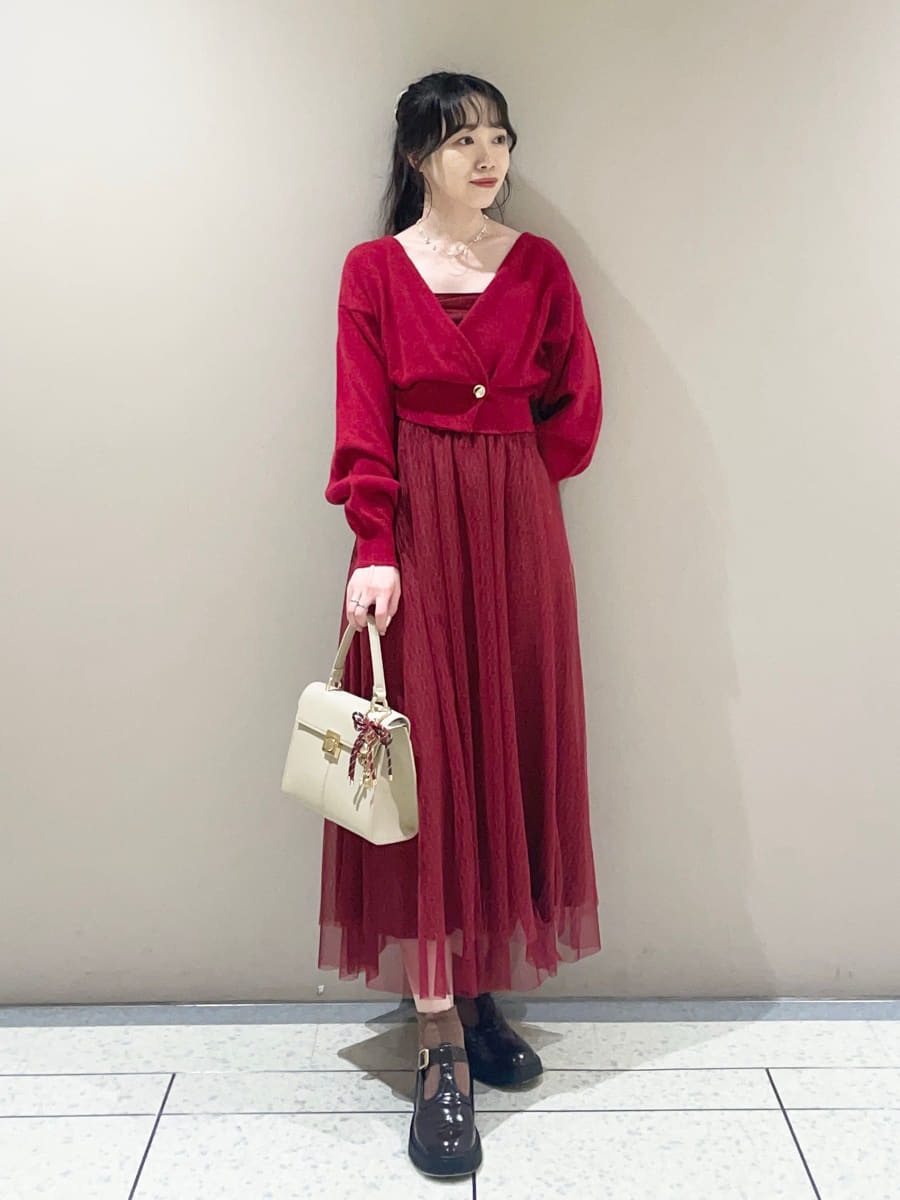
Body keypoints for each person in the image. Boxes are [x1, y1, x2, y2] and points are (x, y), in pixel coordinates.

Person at [318, 70, 603, 1177]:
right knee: (429, 771)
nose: (487, 159)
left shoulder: (540, 266)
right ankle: (439, 1039)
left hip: (517, 531)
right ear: (416, 157)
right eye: (461, 140)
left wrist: (513, 480)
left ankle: (476, 992)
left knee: (504, 751)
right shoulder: (374, 272)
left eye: (499, 138)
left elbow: (576, 406)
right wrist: (376, 542)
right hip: (416, 539)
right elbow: (360, 416)